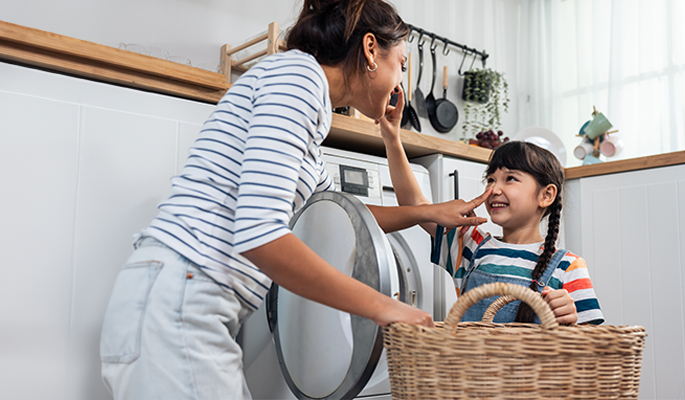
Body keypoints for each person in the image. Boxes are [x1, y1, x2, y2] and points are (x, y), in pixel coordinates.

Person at [99, 1, 491, 399]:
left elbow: (332, 216)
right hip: (180, 299)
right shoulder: (298, 78)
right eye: (402, 64)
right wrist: (382, 306)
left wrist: (422, 213)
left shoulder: (307, 107)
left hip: (187, 299)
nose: (400, 82)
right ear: (371, 50)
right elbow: (260, 234)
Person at [382, 129, 605, 326]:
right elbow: (415, 205)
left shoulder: (568, 266)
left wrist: (571, 320)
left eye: (510, 178)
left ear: (546, 195)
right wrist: (392, 136)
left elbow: (591, 348)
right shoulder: (470, 245)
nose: (494, 189)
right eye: (490, 179)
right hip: (471, 373)